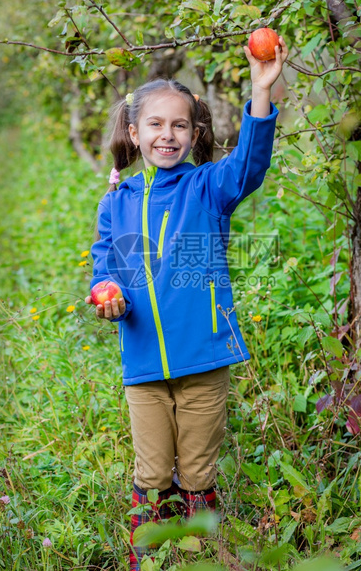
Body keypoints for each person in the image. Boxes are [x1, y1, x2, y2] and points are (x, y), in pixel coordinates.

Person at [85, 37, 288, 569]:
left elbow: (250, 164)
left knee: (197, 471)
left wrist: (261, 91)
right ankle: (147, 555)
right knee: (152, 473)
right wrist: (106, 294)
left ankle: (203, 550)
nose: (167, 135)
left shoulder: (208, 187)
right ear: (134, 132)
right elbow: (104, 264)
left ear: (195, 133)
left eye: (180, 125)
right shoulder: (117, 202)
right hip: (144, 364)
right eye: (155, 124)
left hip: (204, 358)